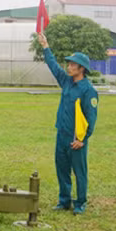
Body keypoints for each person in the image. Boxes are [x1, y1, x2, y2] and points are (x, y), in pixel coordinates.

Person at [38, 34, 99, 215]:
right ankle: (64, 201)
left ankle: (80, 203)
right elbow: (54, 66)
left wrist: (82, 139)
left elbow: (91, 118)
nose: (69, 67)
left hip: (76, 138)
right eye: (69, 64)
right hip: (62, 134)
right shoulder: (66, 82)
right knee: (62, 169)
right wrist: (45, 46)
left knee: (79, 172)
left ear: (82, 69)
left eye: (73, 65)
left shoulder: (88, 91)